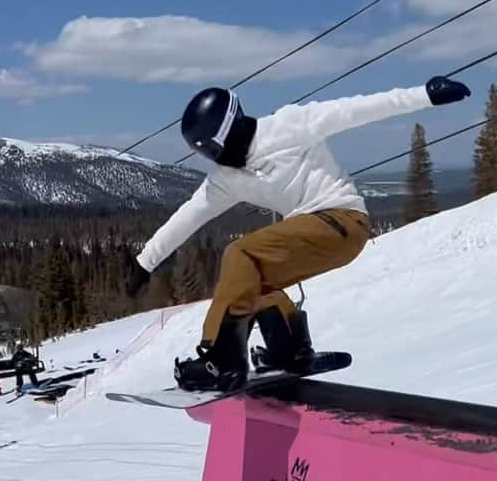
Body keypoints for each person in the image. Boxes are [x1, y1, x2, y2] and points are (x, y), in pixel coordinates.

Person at [128, 76, 470, 391]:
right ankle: (289, 347)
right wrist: (145, 263)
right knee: (249, 279)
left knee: (241, 254)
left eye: (213, 150)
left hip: (343, 220)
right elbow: (189, 215)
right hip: (316, 233)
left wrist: (426, 94)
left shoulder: (290, 125)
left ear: (228, 133)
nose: (216, 159)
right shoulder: (227, 177)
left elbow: (360, 108)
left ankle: (222, 361)